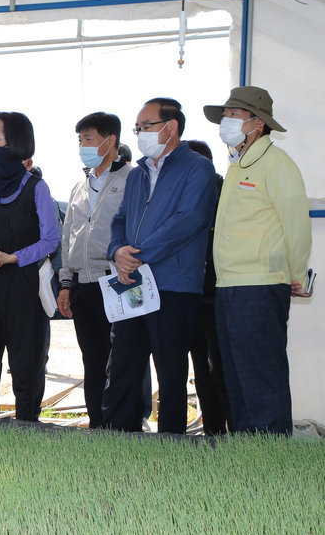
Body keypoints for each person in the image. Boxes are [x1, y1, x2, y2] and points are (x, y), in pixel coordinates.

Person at [103, 98, 217, 433]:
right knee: (123, 362)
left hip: (173, 284)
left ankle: (170, 444)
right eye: (137, 128)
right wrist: (117, 251)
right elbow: (120, 219)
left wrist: (136, 253)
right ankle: (118, 436)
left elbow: (188, 221)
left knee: (170, 370)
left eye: (146, 126)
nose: (140, 133)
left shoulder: (197, 168)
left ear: (171, 127)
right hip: (132, 281)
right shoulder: (137, 174)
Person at [204, 86, 312, 435]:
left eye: (233, 115)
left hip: (261, 285)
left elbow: (296, 226)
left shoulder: (277, 164)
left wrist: (295, 274)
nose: (226, 121)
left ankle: (272, 458)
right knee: (236, 376)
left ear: (257, 123)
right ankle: (248, 454)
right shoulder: (236, 165)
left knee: (262, 376)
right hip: (228, 286)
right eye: (226, 115)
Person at [0, 111, 60, 423]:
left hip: (24, 284)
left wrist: (13, 258)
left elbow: (51, 240)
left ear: (17, 144)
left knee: (26, 361)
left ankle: (27, 423)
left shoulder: (37, 188)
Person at [57, 112, 131, 428]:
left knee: (124, 359)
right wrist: (65, 282)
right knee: (93, 359)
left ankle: (126, 424)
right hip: (83, 286)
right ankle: (97, 424)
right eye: (80, 140)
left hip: (118, 281)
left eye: (88, 139)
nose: (82, 146)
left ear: (109, 140)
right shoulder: (80, 186)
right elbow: (68, 236)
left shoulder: (132, 179)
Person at [183, 139, 230, 435]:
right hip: (189, 296)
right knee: (201, 369)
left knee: (222, 370)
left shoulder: (224, 193)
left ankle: (232, 431)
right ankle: (213, 432)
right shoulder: (183, 194)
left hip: (218, 296)